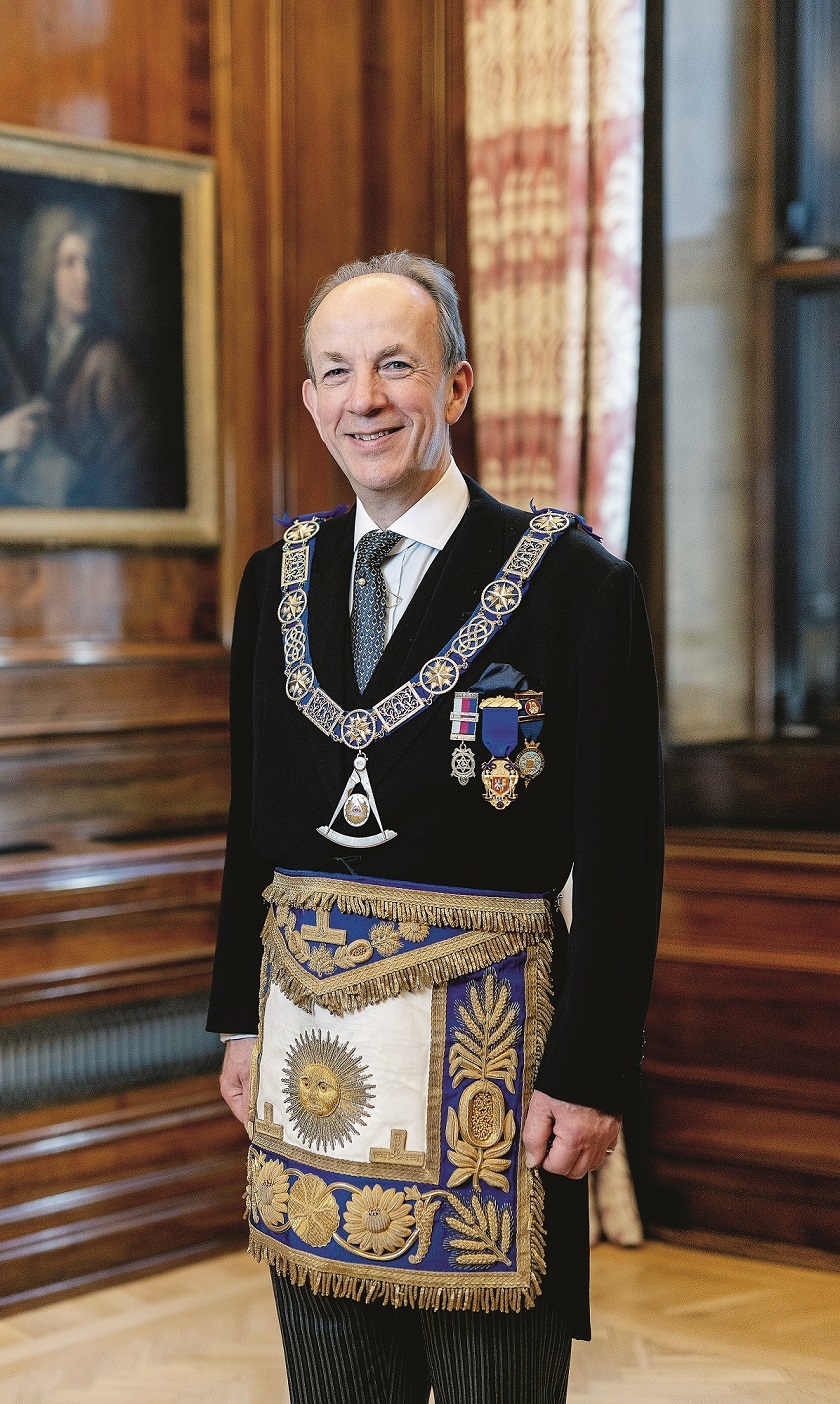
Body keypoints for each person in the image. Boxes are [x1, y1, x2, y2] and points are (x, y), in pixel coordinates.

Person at [207, 250, 663, 1404]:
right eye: (336, 372)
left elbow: (622, 854)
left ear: (455, 387)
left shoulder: (572, 585)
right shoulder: (276, 580)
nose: (364, 398)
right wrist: (235, 1020)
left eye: (395, 365)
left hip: (494, 1078)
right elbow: (250, 824)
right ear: (310, 400)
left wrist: (593, 1072)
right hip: (311, 1062)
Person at [0, 204, 153, 510]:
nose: (85, 277)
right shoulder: (32, 350)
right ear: (46, 271)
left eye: (90, 263)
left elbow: (126, 475)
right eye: (69, 263)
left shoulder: (107, 360)